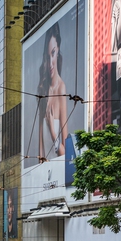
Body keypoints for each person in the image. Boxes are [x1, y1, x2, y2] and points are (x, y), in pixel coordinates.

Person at [37, 23, 68, 160]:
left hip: (59, 173)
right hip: (42, 175)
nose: (50, 63)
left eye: (53, 53)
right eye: (47, 55)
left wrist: (52, 131)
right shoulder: (42, 89)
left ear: (58, 50)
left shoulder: (61, 88)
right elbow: (40, 149)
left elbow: (65, 153)